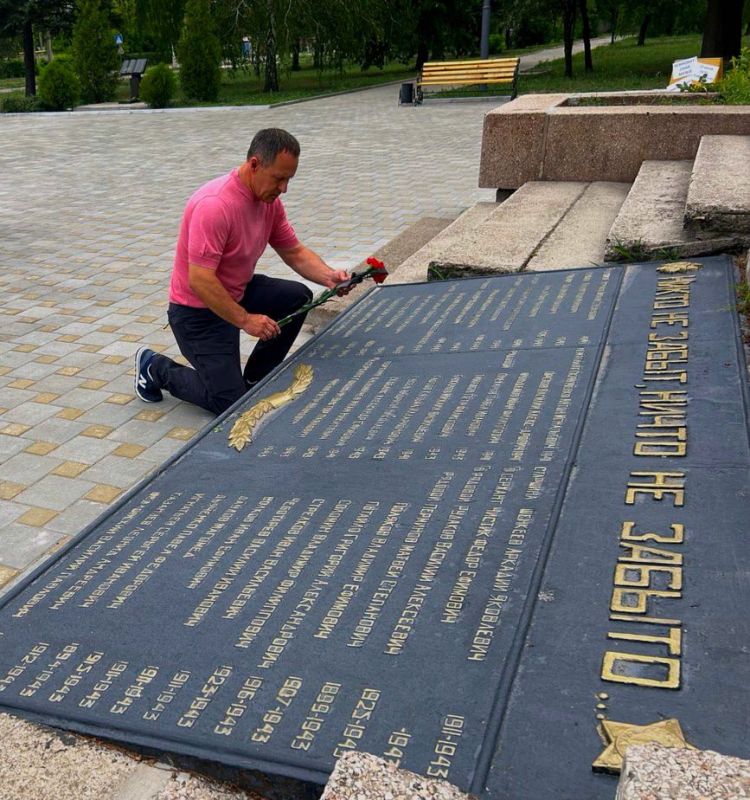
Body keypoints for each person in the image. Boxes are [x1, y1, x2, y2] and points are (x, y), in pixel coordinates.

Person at [134, 128, 350, 416]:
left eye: (289, 179)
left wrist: (329, 276)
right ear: (254, 165)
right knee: (229, 405)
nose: (284, 188)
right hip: (197, 312)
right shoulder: (215, 205)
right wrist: (246, 320)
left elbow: (294, 251)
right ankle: (154, 367)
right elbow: (199, 280)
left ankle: (255, 380)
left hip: (236, 291)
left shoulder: (268, 202)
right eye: (279, 178)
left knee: (297, 296)